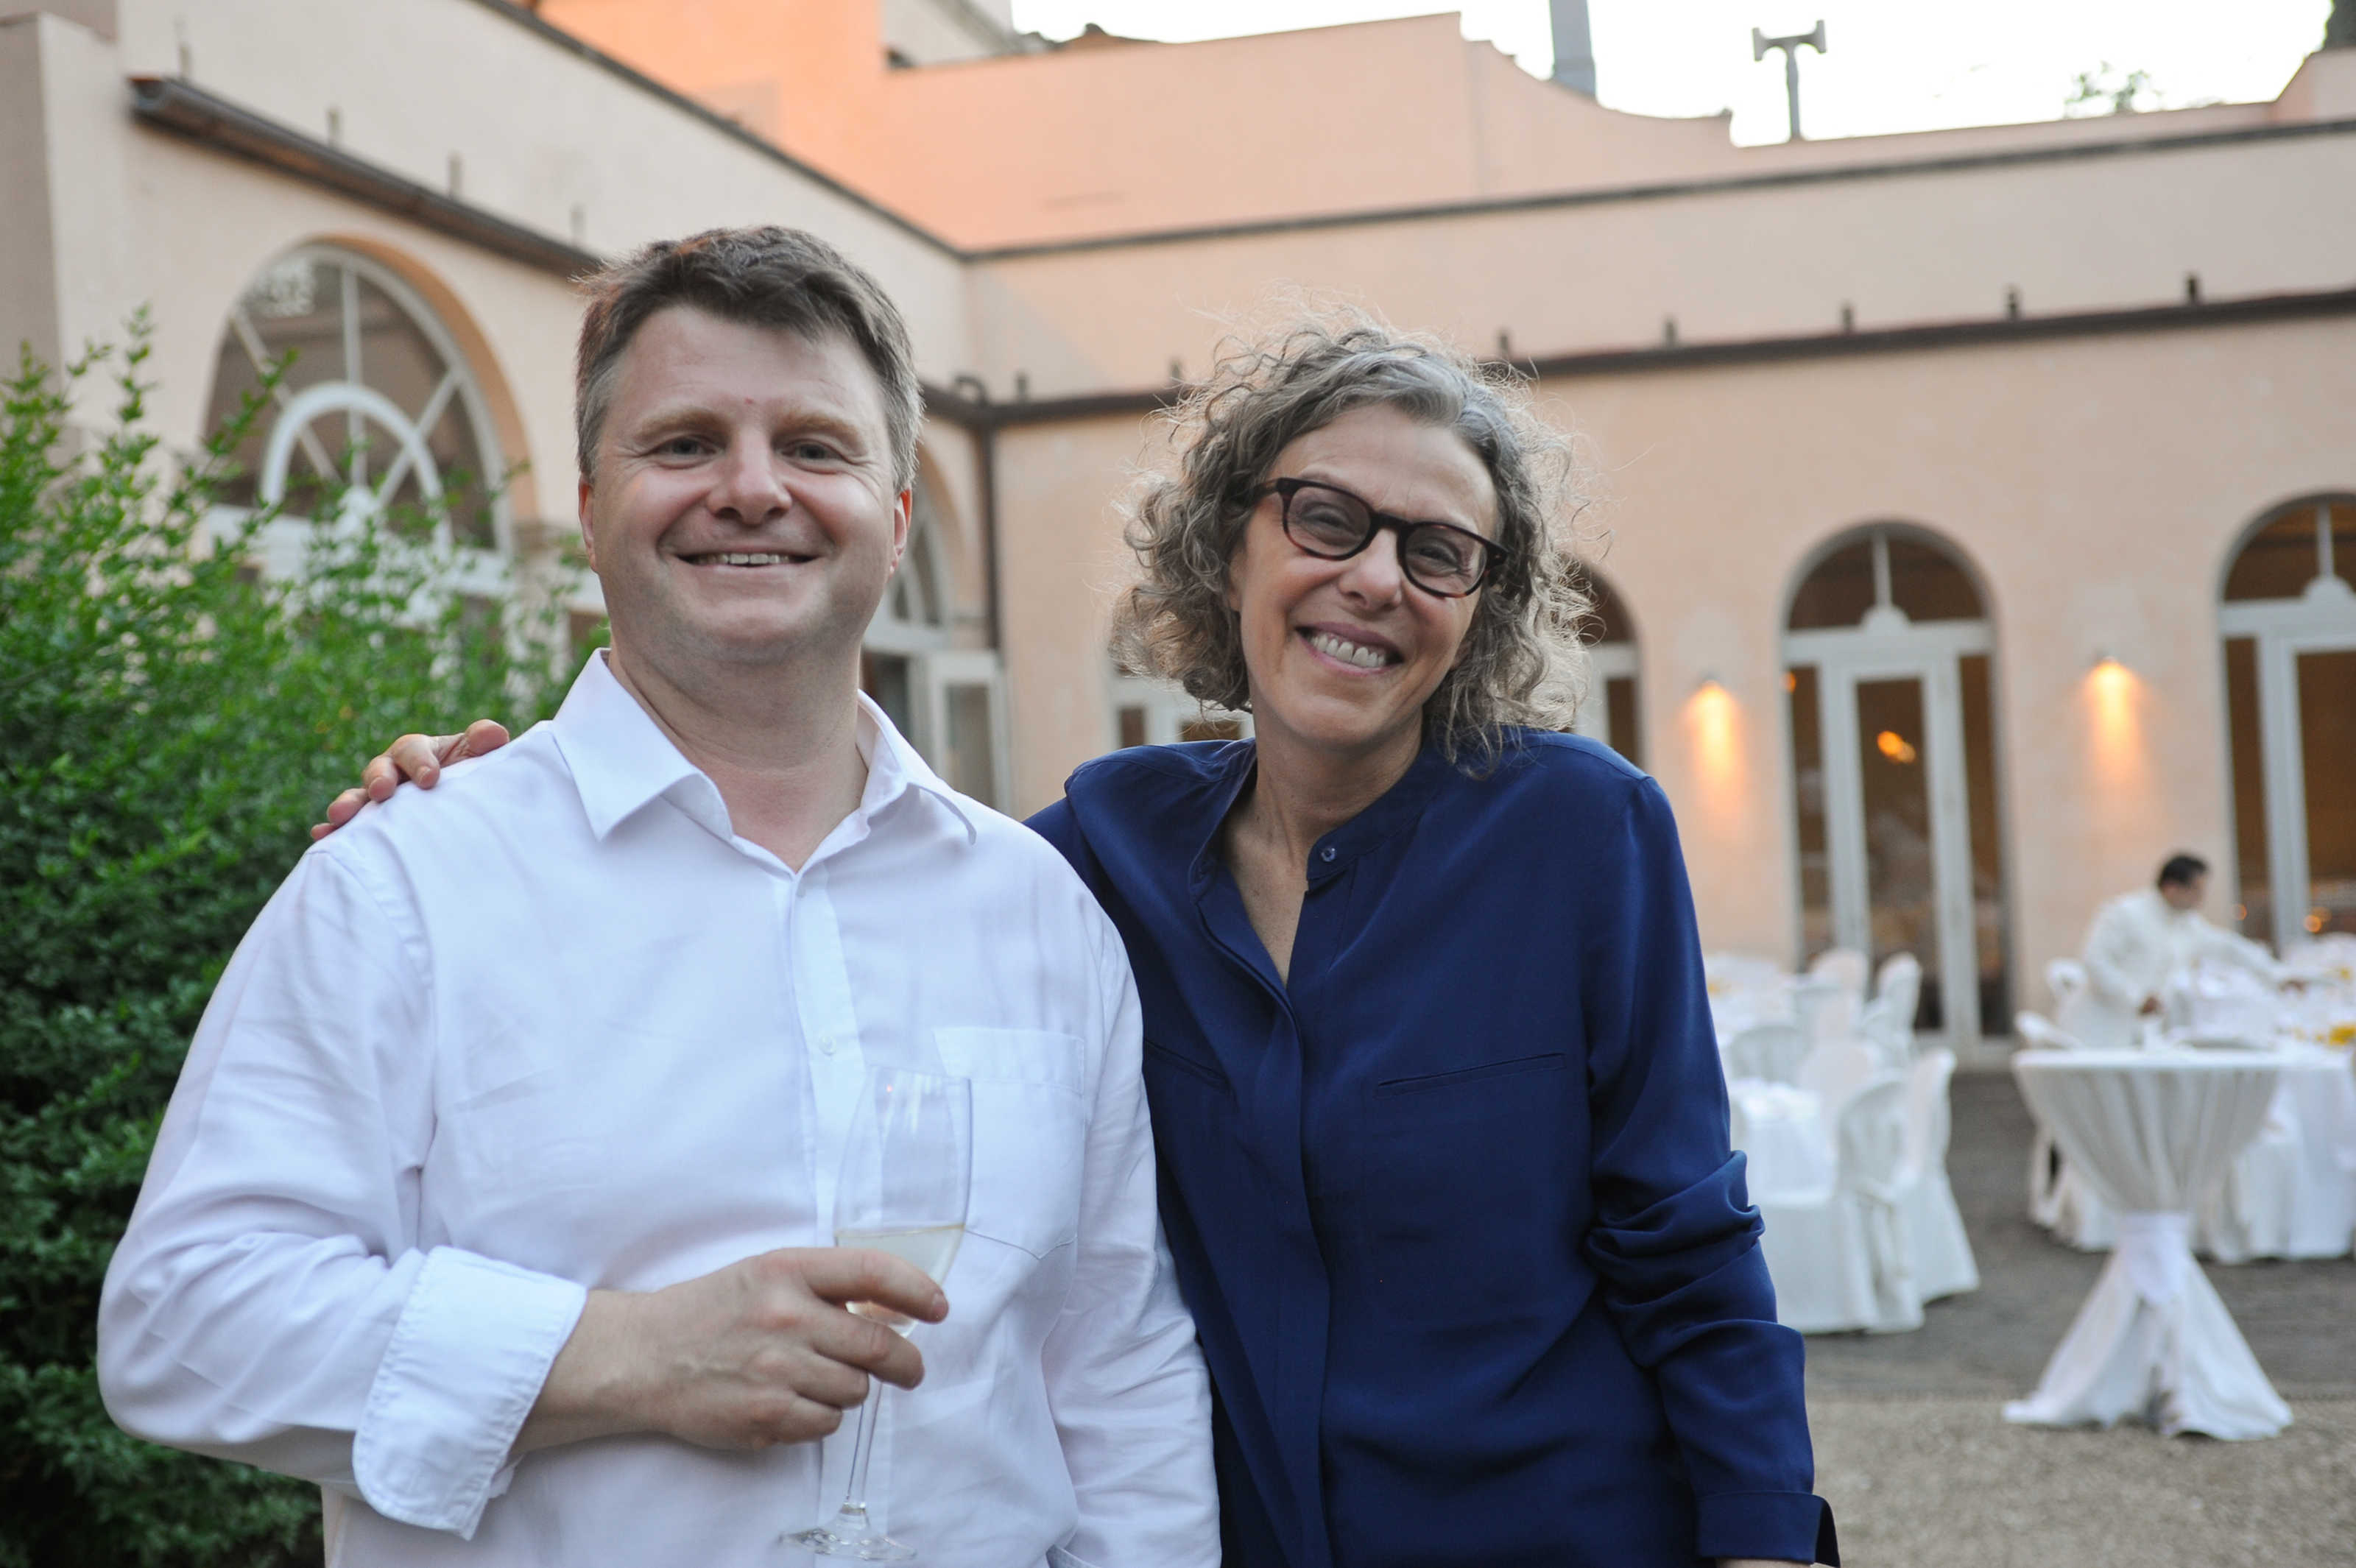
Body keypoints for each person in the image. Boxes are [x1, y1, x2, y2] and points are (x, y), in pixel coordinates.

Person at [330, 317, 1835, 1567]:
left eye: (1440, 552)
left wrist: (1763, 1542)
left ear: (1478, 609)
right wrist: (479, 811)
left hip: (1562, 1535)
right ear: (1228, 544)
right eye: (1325, 518)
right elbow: (819, 888)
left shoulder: (1582, 832)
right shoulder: (1086, 863)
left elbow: (1687, 1247)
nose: (1375, 576)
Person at [98, 227, 1217, 1565]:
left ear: (898, 516)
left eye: (814, 447)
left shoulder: (1038, 910)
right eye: (684, 444)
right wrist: (618, 1354)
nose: (751, 491)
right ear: (587, 506)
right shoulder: (404, 886)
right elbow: (182, 1323)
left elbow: (1117, 1370)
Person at [2060, 852, 2290, 1049]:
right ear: (2172, 887)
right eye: (2196, 890)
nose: (2202, 898)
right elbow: (2095, 961)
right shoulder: (2125, 913)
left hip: (2140, 1034)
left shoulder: (2188, 924)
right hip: (2096, 1028)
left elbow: (2228, 947)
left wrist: (2276, 974)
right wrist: (2136, 998)